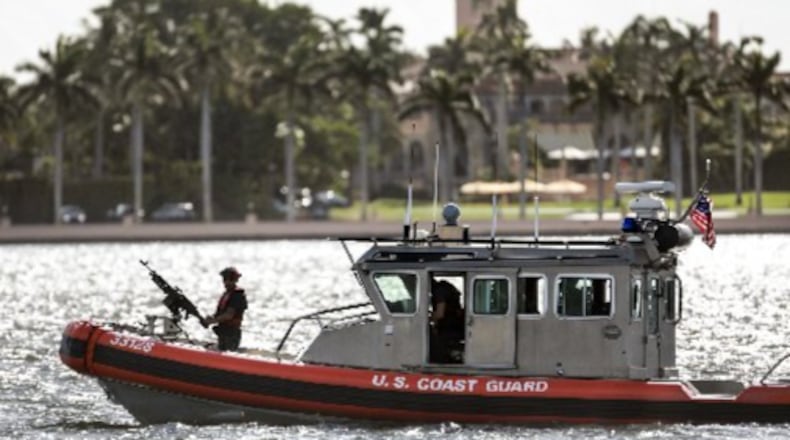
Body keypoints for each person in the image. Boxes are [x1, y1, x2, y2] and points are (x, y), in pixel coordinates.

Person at [204, 266, 248, 351]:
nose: (226, 282)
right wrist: (210, 318)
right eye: (225, 279)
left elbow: (229, 315)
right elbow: (220, 313)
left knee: (228, 351)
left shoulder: (237, 295)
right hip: (223, 332)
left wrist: (212, 321)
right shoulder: (227, 294)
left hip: (231, 333)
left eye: (228, 279)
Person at [429, 279, 464, 363]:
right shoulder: (445, 287)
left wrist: (426, 318)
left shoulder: (439, 291)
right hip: (456, 326)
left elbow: (440, 313)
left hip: (449, 329)